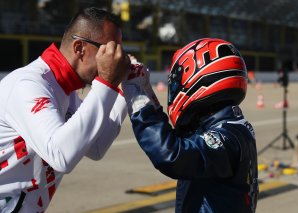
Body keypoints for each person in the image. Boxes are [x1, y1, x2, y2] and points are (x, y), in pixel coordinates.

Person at [0, 7, 130, 212]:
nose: (116, 58)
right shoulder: (28, 85)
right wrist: (106, 83)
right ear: (79, 48)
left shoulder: (65, 89)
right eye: (109, 50)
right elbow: (61, 156)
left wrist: (123, 93)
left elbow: (95, 147)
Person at [123, 38, 258, 212]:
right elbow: (180, 140)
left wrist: (137, 96)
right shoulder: (231, 125)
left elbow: (171, 154)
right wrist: (145, 88)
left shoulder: (226, 136)